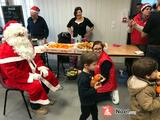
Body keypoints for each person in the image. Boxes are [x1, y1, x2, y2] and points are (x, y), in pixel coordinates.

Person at [0, 22, 61, 115]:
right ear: (10, 36)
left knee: (47, 74)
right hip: (14, 77)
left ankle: (43, 98)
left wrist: (41, 67)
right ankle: (35, 106)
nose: (21, 36)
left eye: (22, 34)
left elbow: (35, 57)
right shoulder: (5, 50)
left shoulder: (26, 44)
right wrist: (30, 76)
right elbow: (11, 72)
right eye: (17, 34)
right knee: (35, 85)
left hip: (29, 70)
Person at [77, 51, 101, 120]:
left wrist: (96, 79)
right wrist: (94, 89)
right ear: (86, 65)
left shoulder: (89, 72)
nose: (96, 66)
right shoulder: (83, 79)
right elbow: (83, 93)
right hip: (86, 102)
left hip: (92, 99)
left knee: (95, 112)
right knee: (85, 114)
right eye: (94, 64)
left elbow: (91, 81)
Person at [142, 3, 160, 68]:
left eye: (150, 9)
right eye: (147, 9)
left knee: (150, 67)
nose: (149, 10)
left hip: (153, 46)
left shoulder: (153, 16)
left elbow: (143, 34)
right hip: (141, 43)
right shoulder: (136, 18)